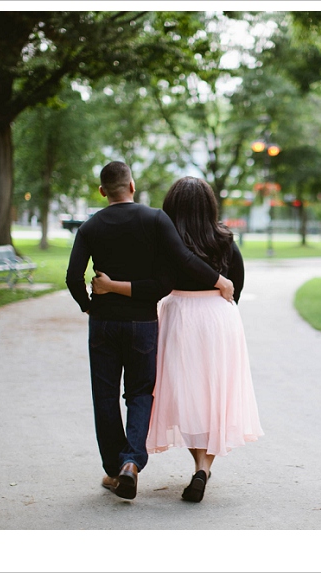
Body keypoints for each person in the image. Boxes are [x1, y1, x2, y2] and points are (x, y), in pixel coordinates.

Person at [66, 162, 235, 501]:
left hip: (103, 324)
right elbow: (176, 267)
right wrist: (219, 280)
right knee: (141, 393)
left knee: (105, 396)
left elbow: (73, 278)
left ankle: (115, 469)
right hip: (142, 323)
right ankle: (132, 461)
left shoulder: (89, 227)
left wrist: (90, 306)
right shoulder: (155, 220)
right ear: (131, 185)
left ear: (102, 191)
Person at [91, 176, 263, 503]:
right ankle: (202, 469)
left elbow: (157, 282)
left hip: (180, 316)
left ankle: (167, 465)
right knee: (213, 396)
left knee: (188, 396)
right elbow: (237, 283)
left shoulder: (164, 240)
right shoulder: (225, 239)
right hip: (219, 317)